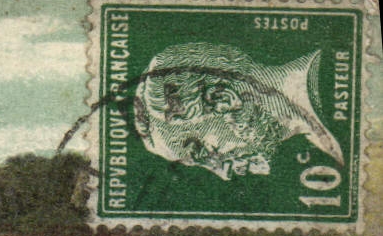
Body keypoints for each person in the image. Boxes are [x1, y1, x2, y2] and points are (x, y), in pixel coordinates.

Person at [133, 44, 345, 183]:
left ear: (223, 99)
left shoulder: (330, 89)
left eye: (201, 153)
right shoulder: (324, 136)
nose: (224, 173)